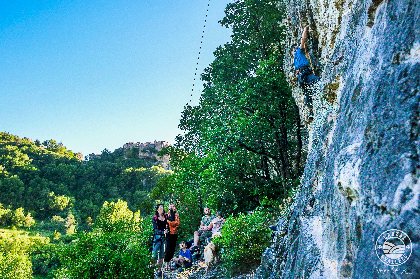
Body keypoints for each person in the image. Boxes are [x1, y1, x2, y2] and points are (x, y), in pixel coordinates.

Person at [292, 26, 320, 117]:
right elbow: (303, 39)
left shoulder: (295, 61)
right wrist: (305, 29)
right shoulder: (298, 52)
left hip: (301, 77)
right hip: (305, 74)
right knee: (318, 80)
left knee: (307, 92)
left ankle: (311, 111)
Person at [152, 204, 168, 275]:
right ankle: (152, 269)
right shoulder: (155, 218)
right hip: (157, 238)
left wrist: (167, 230)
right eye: (160, 208)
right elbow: (155, 230)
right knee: (154, 253)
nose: (162, 209)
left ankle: (159, 270)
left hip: (164, 238)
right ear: (157, 210)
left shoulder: (166, 217)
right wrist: (162, 232)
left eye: (162, 208)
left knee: (162, 255)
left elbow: (168, 225)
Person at [164, 203, 180, 269]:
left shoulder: (176, 214)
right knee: (168, 248)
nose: (173, 207)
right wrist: (170, 223)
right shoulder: (167, 215)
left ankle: (170, 265)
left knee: (172, 249)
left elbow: (177, 223)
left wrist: (169, 222)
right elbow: (165, 223)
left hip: (174, 233)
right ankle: (166, 264)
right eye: (171, 206)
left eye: (174, 206)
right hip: (168, 233)